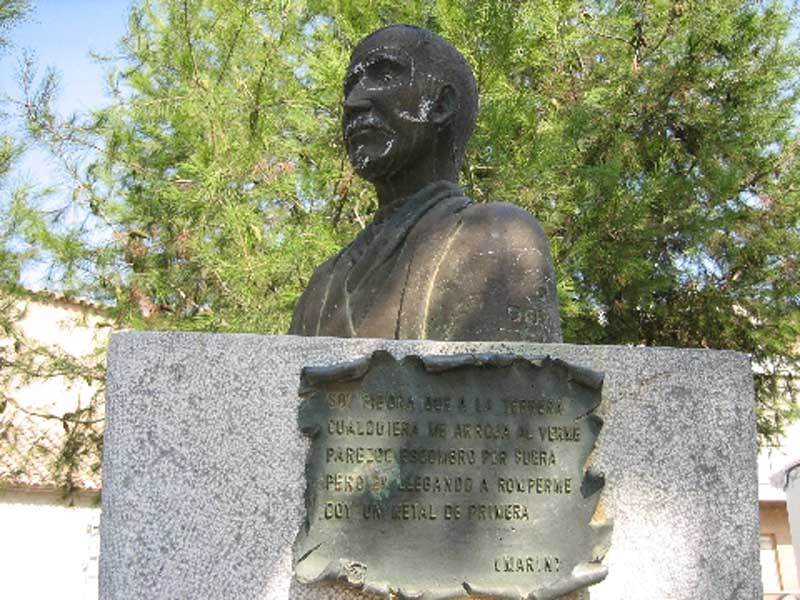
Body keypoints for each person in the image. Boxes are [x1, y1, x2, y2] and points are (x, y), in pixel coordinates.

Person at [289, 24, 562, 342]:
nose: (353, 102)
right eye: (350, 85)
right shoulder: (323, 285)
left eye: (385, 76)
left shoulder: (497, 238)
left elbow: (512, 385)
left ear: (441, 105)